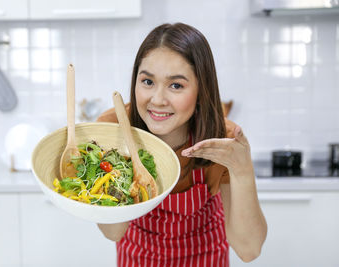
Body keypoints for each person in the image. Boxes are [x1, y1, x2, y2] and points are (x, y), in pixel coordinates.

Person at [96, 22, 267, 266]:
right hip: (138, 259)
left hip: (206, 259)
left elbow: (249, 249)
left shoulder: (222, 139)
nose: (157, 100)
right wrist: (120, 157)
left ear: (201, 90)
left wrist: (243, 171)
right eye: (147, 82)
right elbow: (112, 232)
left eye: (176, 85)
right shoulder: (113, 128)